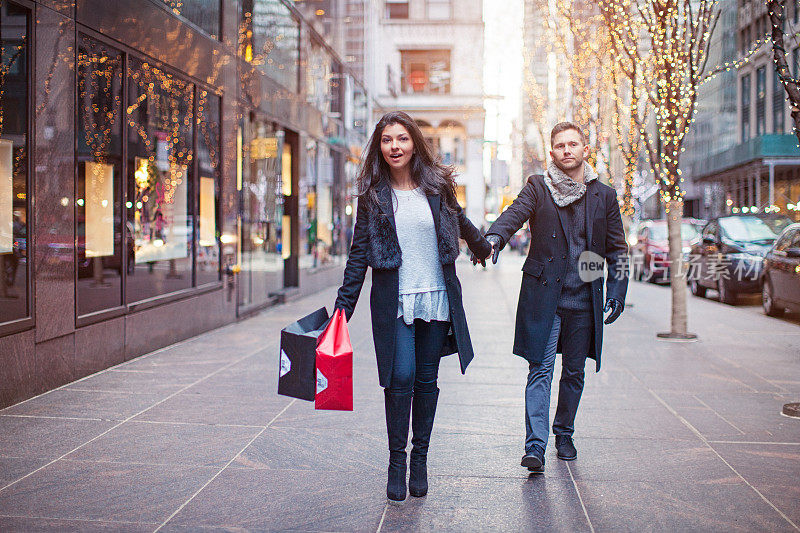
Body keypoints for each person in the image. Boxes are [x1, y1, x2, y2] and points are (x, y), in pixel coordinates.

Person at [334, 111, 492, 502]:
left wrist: (483, 246)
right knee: (399, 376)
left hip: (436, 295)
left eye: (401, 139)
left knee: (426, 381)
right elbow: (359, 254)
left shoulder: (436, 186)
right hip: (396, 300)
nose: (394, 147)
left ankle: (420, 458)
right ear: (379, 146)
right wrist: (343, 306)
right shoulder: (373, 195)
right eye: (387, 140)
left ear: (414, 143)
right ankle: (396, 461)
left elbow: (459, 220)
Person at [484, 121, 628, 473]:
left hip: (584, 296)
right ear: (552, 152)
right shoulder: (539, 187)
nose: (567, 150)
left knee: (574, 372)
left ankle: (564, 432)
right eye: (560, 145)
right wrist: (494, 238)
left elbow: (616, 249)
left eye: (573, 144)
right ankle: (535, 446)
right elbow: (514, 214)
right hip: (545, 296)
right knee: (540, 369)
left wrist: (617, 292)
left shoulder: (604, 195)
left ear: (584, 149)